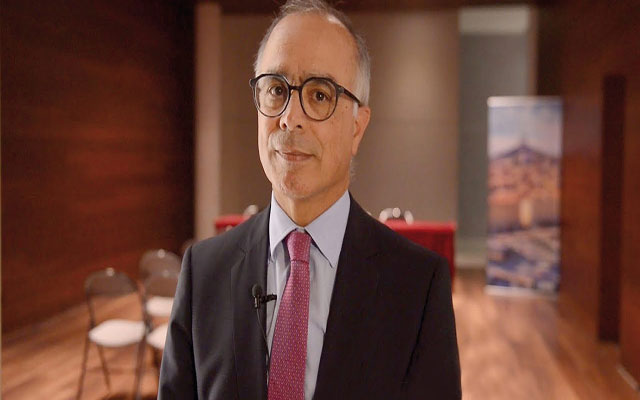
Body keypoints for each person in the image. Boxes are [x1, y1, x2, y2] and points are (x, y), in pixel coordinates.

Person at [159, 1, 461, 399]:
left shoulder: (418, 287)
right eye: (276, 89)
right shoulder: (203, 273)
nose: (290, 117)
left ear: (357, 128)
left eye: (319, 95)